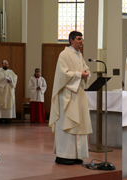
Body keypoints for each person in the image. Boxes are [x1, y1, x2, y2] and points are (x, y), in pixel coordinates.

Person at [49, 31, 92, 165]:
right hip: (67, 95)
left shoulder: (80, 55)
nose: (81, 41)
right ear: (71, 40)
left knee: (78, 124)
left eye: (82, 39)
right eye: (79, 39)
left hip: (78, 93)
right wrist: (80, 74)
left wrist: (86, 73)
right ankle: (63, 155)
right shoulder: (64, 54)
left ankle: (75, 155)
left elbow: (85, 69)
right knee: (67, 124)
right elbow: (63, 74)